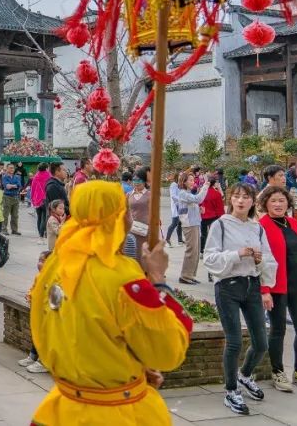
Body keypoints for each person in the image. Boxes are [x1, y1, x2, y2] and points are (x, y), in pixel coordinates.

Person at [30, 181, 192, 424]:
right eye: (125, 209)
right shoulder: (121, 275)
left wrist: (124, 364)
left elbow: (57, 335)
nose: (128, 216)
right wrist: (158, 279)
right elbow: (167, 351)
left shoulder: (56, 264)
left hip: (64, 408)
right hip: (114, 412)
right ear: (115, 217)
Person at [203, 182, 276, 415]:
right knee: (234, 341)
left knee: (262, 341)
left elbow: (270, 260)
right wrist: (237, 254)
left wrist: (258, 260)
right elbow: (210, 258)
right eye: (237, 196)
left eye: (246, 197)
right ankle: (231, 390)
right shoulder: (220, 225)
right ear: (230, 200)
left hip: (251, 285)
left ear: (253, 201)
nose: (241, 201)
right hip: (228, 286)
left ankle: (245, 375)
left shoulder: (257, 228)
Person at [256, 185, 297, 393]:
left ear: (288, 203)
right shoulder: (261, 226)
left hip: (296, 285)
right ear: (266, 203)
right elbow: (261, 261)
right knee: (278, 329)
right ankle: (277, 371)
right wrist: (264, 289)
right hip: (275, 286)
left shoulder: (295, 225)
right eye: (273, 201)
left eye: (282, 201)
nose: (278, 204)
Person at [173, 172, 208, 285]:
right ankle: (185, 276)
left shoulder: (187, 193)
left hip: (194, 223)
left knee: (196, 251)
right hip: (189, 225)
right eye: (191, 180)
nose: (193, 182)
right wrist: (206, 186)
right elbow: (198, 199)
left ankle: (191, 275)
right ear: (184, 182)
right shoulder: (183, 193)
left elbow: (193, 204)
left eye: (193, 180)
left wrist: (199, 210)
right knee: (191, 250)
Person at [126, 172, 150, 263]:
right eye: (134, 180)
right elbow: (125, 210)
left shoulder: (149, 194)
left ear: (144, 181)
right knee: (133, 252)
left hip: (145, 229)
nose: (136, 182)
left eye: (139, 180)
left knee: (144, 252)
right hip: (132, 229)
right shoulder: (129, 195)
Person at [30, 162, 52, 238]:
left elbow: (32, 189)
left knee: (39, 217)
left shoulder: (36, 176)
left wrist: (32, 199)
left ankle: (40, 233)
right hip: (45, 199)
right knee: (44, 217)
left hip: (37, 199)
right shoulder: (49, 176)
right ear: (46, 168)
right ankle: (42, 234)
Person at [1, 163, 23, 235]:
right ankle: (4, 230)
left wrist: (12, 185)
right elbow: (7, 186)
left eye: (13, 168)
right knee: (5, 214)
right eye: (10, 168)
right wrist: (14, 185)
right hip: (7, 197)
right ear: (6, 169)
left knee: (15, 215)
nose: (11, 169)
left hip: (16, 197)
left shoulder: (17, 177)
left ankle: (14, 230)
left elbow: (19, 185)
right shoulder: (4, 177)